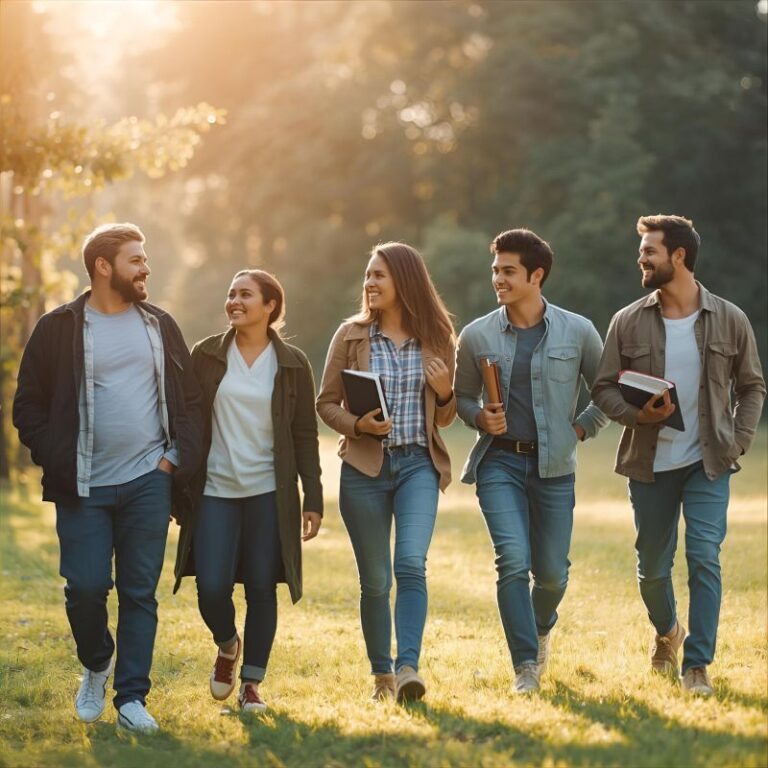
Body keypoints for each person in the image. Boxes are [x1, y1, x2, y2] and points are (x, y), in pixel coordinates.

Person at [13, 223, 203, 733]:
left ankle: (132, 699)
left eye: (144, 259)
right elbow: (26, 406)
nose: (145, 268)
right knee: (86, 587)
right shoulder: (58, 328)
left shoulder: (160, 325)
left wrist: (172, 460)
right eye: (136, 259)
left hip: (148, 479)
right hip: (83, 485)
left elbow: (189, 403)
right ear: (103, 266)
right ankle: (97, 662)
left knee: (140, 592)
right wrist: (58, 455)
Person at [592, 215, 765, 696]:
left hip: (709, 462)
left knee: (705, 557)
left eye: (649, 251)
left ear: (679, 256)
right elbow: (604, 388)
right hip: (649, 464)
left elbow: (752, 387)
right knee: (651, 566)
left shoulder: (730, 318)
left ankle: (696, 666)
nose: (641, 259)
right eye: (642, 251)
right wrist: (637, 416)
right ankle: (668, 632)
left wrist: (740, 439)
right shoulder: (627, 320)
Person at [454, 228, 609, 694]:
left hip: (555, 468)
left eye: (508, 271)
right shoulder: (476, 334)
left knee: (552, 573)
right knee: (512, 562)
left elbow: (606, 394)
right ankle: (525, 665)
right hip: (498, 464)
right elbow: (461, 398)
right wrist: (480, 416)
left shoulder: (578, 330)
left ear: (536, 275)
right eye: (495, 270)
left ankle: (541, 628)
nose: (498, 279)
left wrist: (580, 428)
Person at [173, 269, 323, 713]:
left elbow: (304, 434)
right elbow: (184, 418)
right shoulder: (206, 355)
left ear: (270, 306)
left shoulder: (292, 362)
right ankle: (227, 644)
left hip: (267, 492)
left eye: (245, 294)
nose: (234, 301)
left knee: (261, 587)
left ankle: (252, 683)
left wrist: (312, 497)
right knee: (212, 586)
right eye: (231, 293)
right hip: (215, 489)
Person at [316, 242, 456, 702]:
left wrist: (446, 392)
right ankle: (381, 676)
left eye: (379, 275)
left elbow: (445, 417)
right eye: (367, 275)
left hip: (418, 464)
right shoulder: (351, 335)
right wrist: (358, 425)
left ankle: (408, 668)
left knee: (411, 564)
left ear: (405, 280)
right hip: (364, 469)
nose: (370, 283)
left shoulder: (438, 337)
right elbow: (325, 403)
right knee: (375, 580)